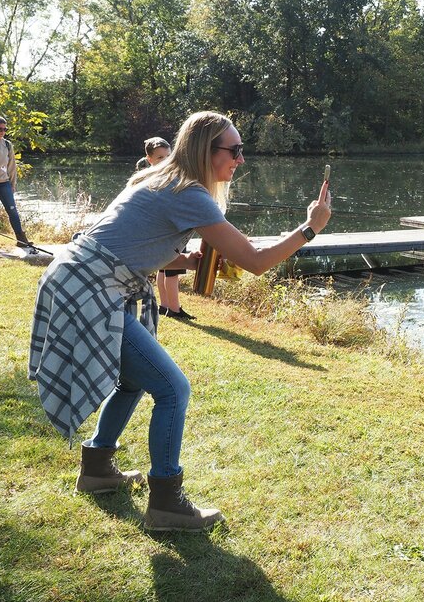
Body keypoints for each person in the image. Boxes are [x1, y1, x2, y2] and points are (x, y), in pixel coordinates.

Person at [29, 111, 331, 531]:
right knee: (173, 389)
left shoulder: (157, 178)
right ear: (207, 151)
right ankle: (167, 504)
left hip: (80, 279)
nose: (241, 160)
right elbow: (257, 262)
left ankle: (97, 468)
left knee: (135, 379)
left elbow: (128, 242)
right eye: (235, 150)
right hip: (91, 290)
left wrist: (186, 261)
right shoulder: (189, 193)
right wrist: (310, 228)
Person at [136, 137, 192, 319]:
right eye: (160, 157)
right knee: (173, 271)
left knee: (164, 269)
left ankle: (165, 305)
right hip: (170, 229)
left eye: (168, 156)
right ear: (149, 158)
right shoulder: (155, 179)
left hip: (167, 228)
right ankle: (174, 309)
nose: (166, 160)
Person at [0, 116, 37, 255]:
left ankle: (21, 240)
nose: (3, 131)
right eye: (0, 129)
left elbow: (12, 166)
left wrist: (12, 184)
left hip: (3, 183)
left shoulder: (8, 144)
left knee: (13, 211)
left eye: (5, 129)